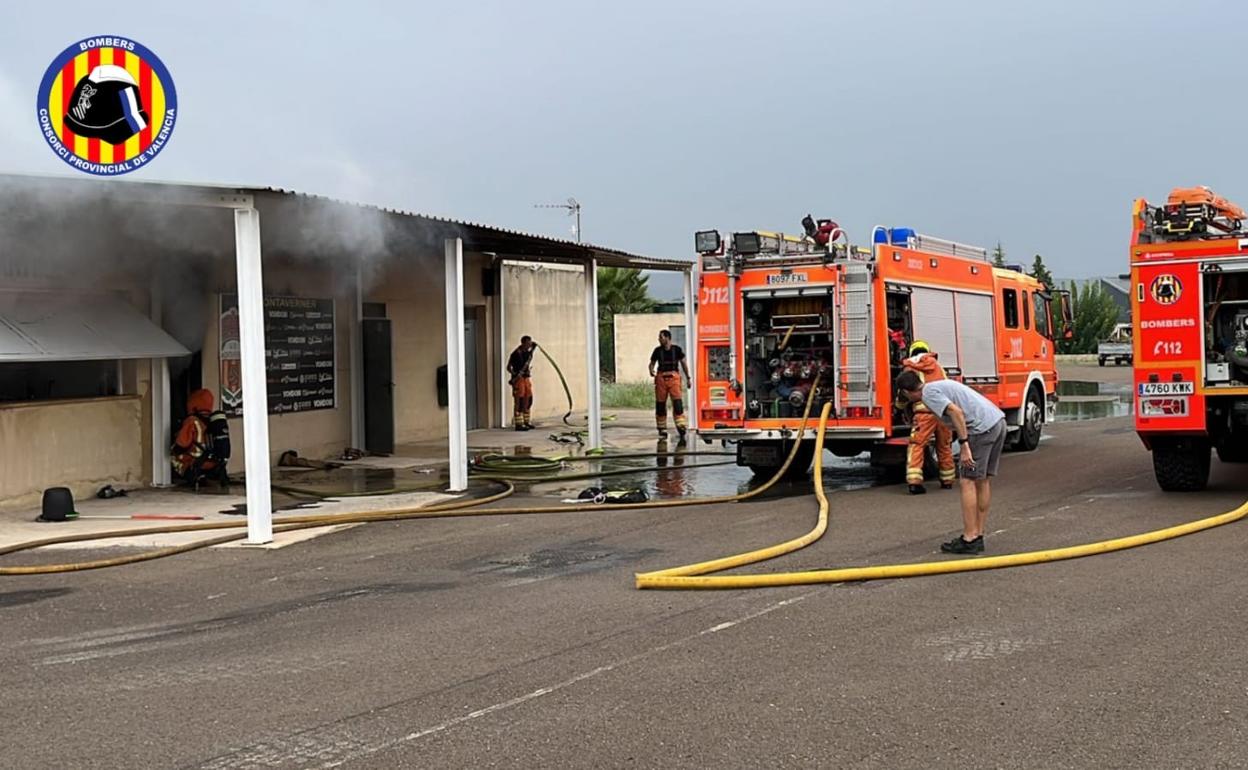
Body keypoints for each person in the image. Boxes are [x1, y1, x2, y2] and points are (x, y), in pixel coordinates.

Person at [895, 369, 1007, 555]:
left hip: (981, 430)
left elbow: (956, 412)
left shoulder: (928, 394)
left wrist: (963, 445)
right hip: (997, 422)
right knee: (983, 480)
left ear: (906, 392)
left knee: (967, 481)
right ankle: (978, 534)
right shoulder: (937, 385)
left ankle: (969, 538)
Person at [894, 340, 956, 495]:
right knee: (944, 445)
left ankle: (915, 483)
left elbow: (905, 392)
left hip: (924, 413)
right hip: (943, 412)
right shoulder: (937, 366)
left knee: (917, 445)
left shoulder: (910, 368)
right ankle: (947, 480)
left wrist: (898, 407)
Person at [171, 388, 230, 488]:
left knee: (171, 456)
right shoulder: (214, 421)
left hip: (196, 464)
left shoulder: (192, 421)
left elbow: (182, 444)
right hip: (215, 463)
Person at [649, 329, 692, 440]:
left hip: (674, 379)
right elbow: (652, 363)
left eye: (661, 337)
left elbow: (684, 364)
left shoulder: (677, 350)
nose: (659, 339)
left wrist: (688, 378)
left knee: (677, 403)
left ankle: (681, 426)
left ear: (667, 338)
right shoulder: (657, 351)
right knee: (660, 404)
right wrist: (651, 370)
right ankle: (662, 428)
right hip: (661, 378)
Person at [507, 335, 536, 431]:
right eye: (528, 343)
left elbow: (529, 358)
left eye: (530, 343)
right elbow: (509, 367)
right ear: (523, 343)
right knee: (519, 400)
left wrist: (533, 349)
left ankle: (526, 421)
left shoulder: (527, 353)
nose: (529, 345)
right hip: (518, 380)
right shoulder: (516, 353)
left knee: (528, 399)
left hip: (526, 378)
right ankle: (518, 424)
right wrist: (514, 374)